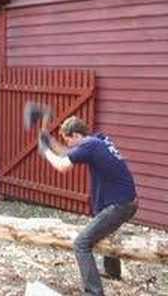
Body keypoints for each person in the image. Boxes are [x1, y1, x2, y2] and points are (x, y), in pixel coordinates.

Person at [38, 116, 137, 296]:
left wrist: (45, 150)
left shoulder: (89, 146)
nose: (69, 144)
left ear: (76, 135)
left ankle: (93, 292)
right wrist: (49, 141)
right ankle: (113, 272)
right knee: (106, 228)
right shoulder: (98, 140)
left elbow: (61, 165)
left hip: (120, 205)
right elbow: (68, 152)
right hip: (127, 202)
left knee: (81, 244)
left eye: (68, 139)